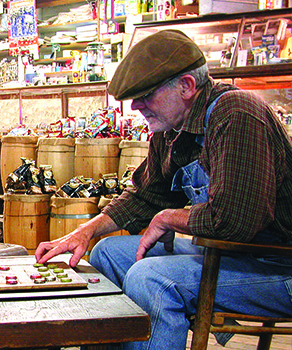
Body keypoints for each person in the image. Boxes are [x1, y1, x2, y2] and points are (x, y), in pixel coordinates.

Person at [35, 29, 292, 350]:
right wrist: (85, 232)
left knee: (152, 279)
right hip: (226, 254)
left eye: (147, 96)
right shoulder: (173, 128)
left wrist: (170, 218)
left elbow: (237, 221)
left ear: (186, 86)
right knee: (107, 254)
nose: (137, 107)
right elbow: (145, 196)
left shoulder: (237, 115)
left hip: (277, 266)